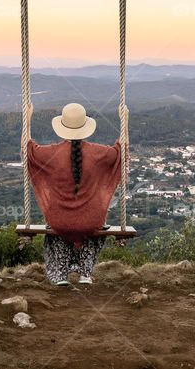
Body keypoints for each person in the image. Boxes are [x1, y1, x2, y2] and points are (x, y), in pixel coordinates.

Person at [26, 103, 123, 286]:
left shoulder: (51, 153)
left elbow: (28, 150)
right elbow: (120, 154)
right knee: (94, 226)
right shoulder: (99, 152)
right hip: (91, 221)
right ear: (85, 126)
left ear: (62, 127)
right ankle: (85, 273)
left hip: (59, 221)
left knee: (59, 229)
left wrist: (28, 119)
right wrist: (124, 121)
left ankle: (61, 274)